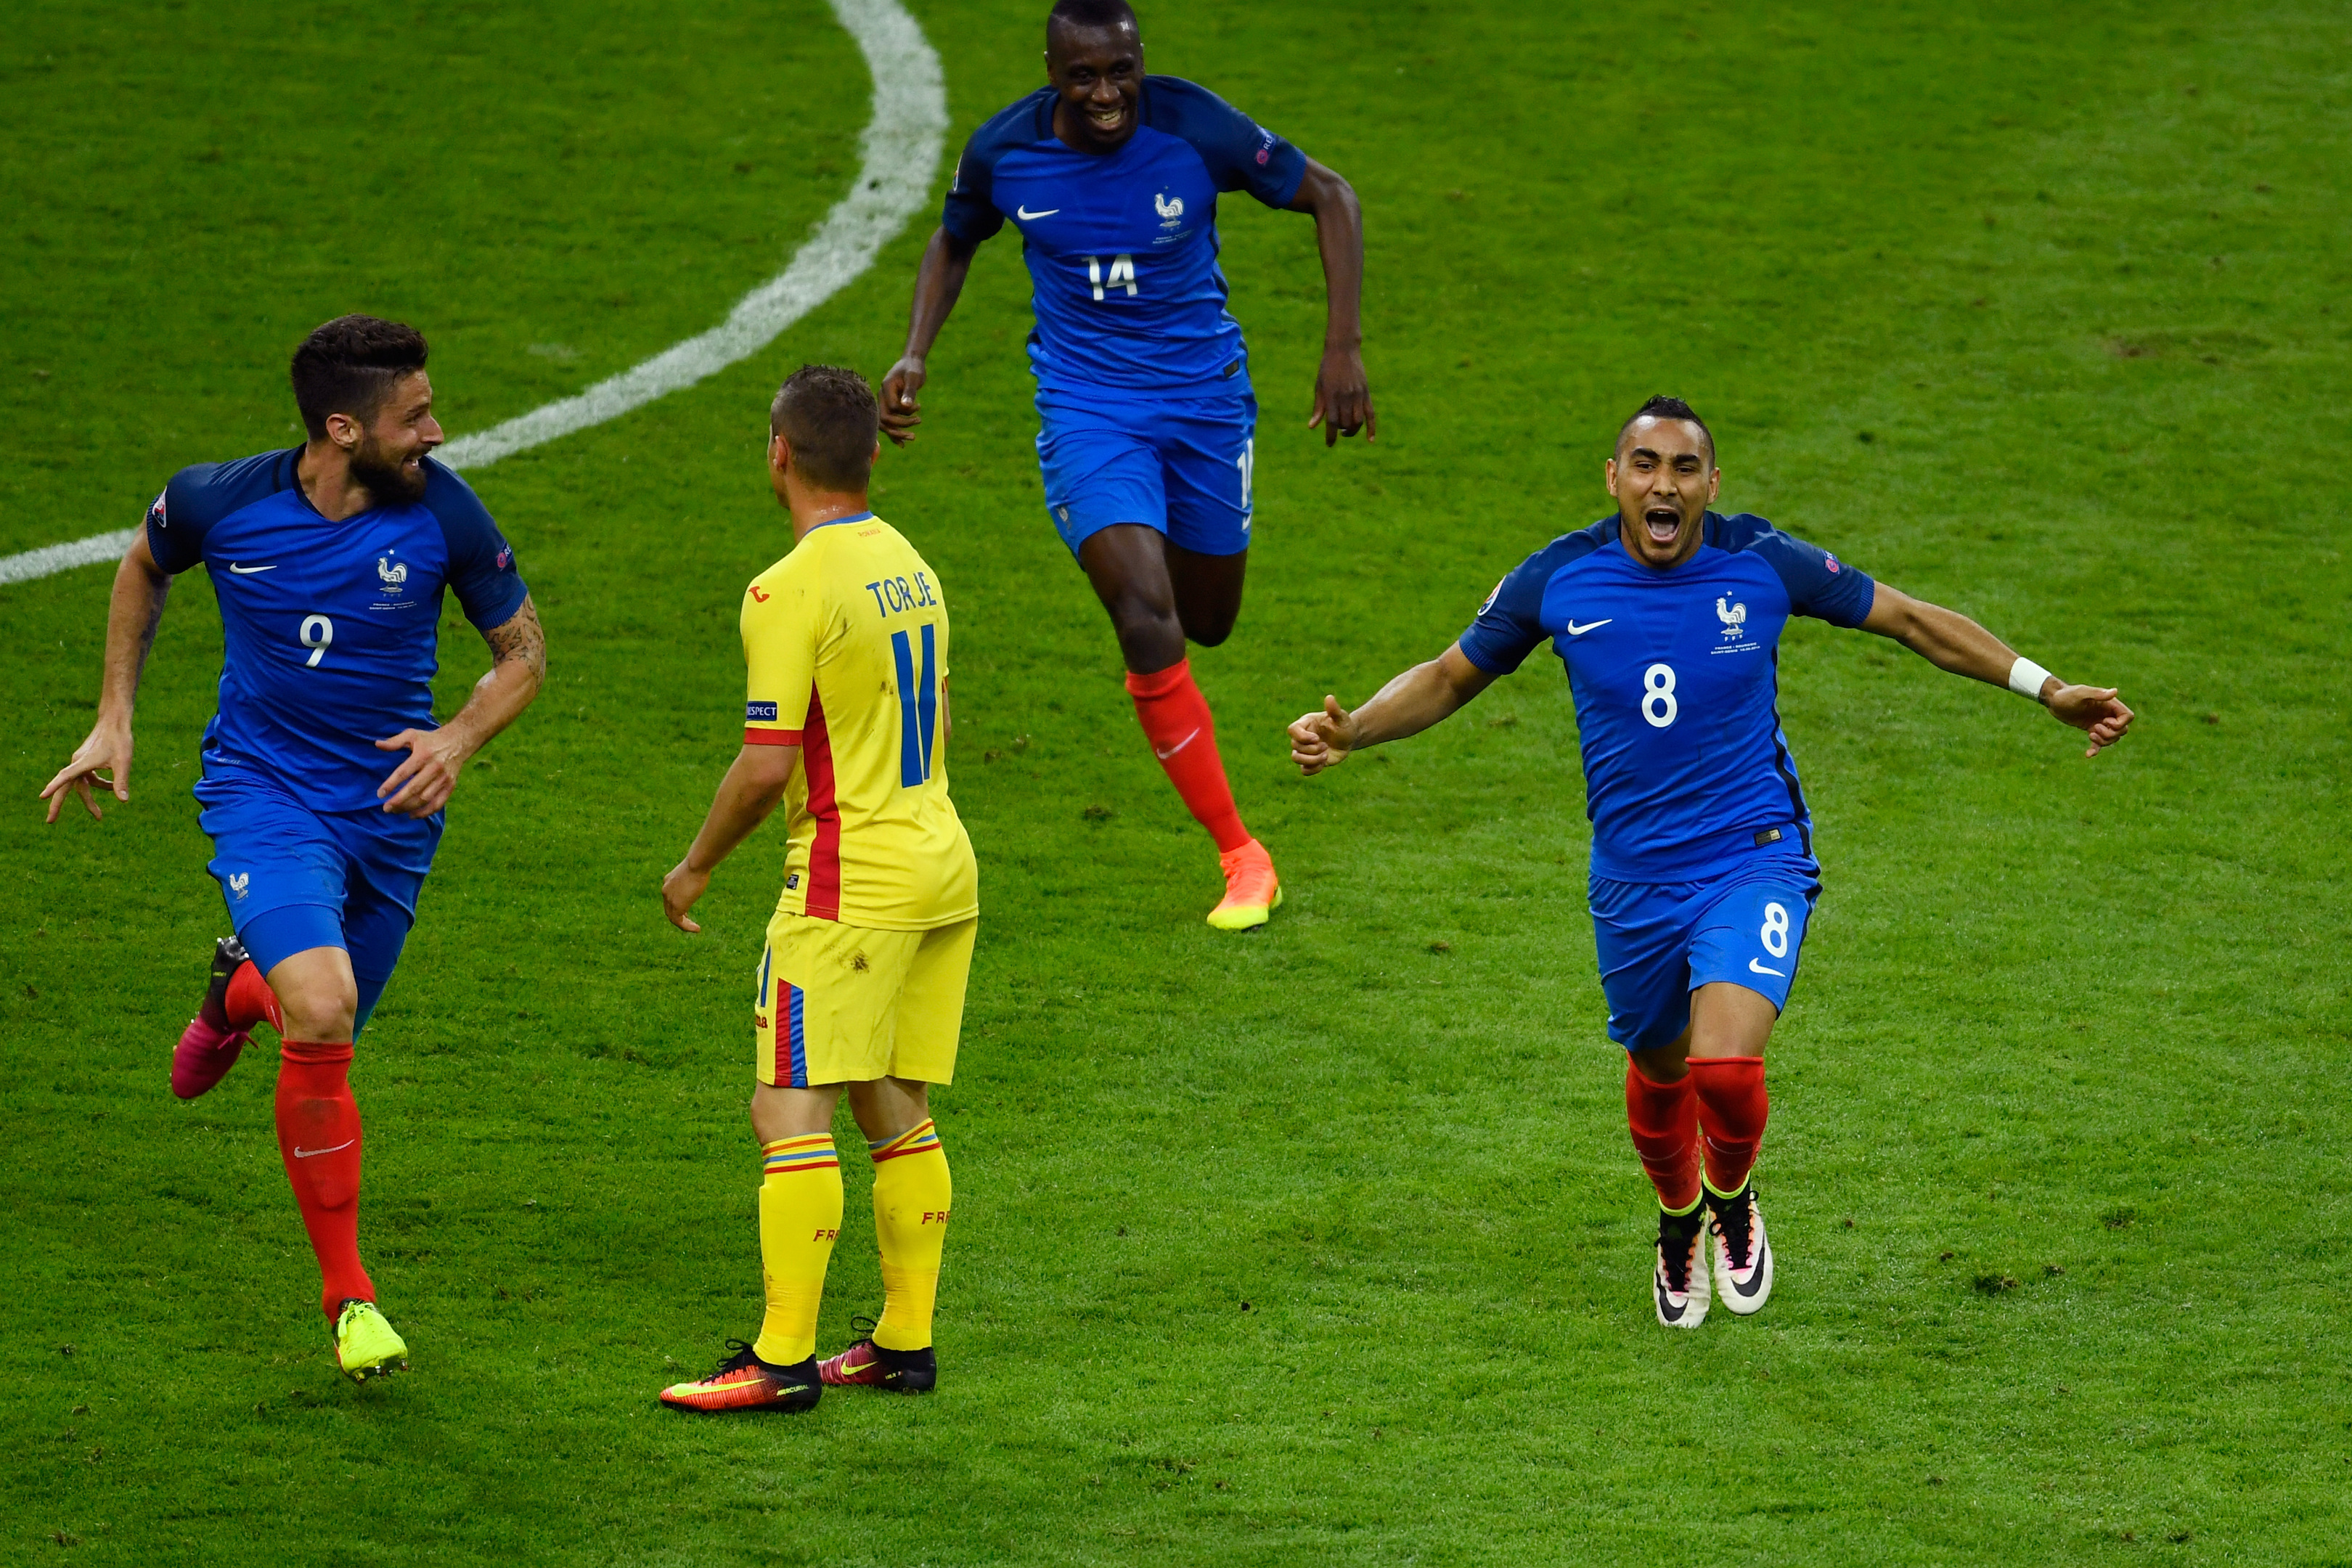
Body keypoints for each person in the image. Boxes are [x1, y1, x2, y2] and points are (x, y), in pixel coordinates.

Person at [1287, 396, 2133, 1328]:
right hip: (1632, 882)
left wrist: (2046, 687)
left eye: (1684, 469)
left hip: (1752, 856)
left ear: (1711, 485)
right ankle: (1679, 1215)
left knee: (1723, 1071)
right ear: (1613, 480)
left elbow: (1911, 621)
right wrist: (1354, 730)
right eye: (1645, 465)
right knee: (1658, 1074)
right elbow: (1452, 675)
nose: (1664, 484)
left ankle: (1732, 1200)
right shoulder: (1556, 579)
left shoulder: (1760, 561)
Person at [38, 314, 545, 1377]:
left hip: (393, 813)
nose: (437, 433)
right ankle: (350, 1299)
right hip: (263, 794)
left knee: (331, 1017)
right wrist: (113, 715)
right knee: (325, 1008)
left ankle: (237, 991)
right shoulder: (223, 500)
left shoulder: (444, 515)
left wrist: (457, 738)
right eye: (415, 418)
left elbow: (525, 652)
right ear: (341, 426)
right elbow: (144, 564)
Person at [876, 0, 1373, 931]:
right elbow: (956, 237)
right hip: (1086, 410)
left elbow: (1332, 196)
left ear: (1141, 63)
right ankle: (1241, 854)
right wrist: (915, 352)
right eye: (1084, 77)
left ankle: (1190, 704)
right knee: (1144, 615)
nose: (1106, 96)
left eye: (1120, 73)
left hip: (1204, 405)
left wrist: (1341, 345)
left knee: (1207, 621)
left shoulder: (1196, 128)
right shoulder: (1005, 154)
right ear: (1053, 73)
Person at [657, 366, 976, 1414]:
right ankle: (903, 1342)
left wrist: (696, 863)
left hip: (851, 882)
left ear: (778, 454)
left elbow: (762, 767)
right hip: (941, 863)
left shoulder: (787, 588)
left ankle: (781, 1360)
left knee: (785, 1107)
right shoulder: (912, 564)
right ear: (871, 455)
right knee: (895, 1107)